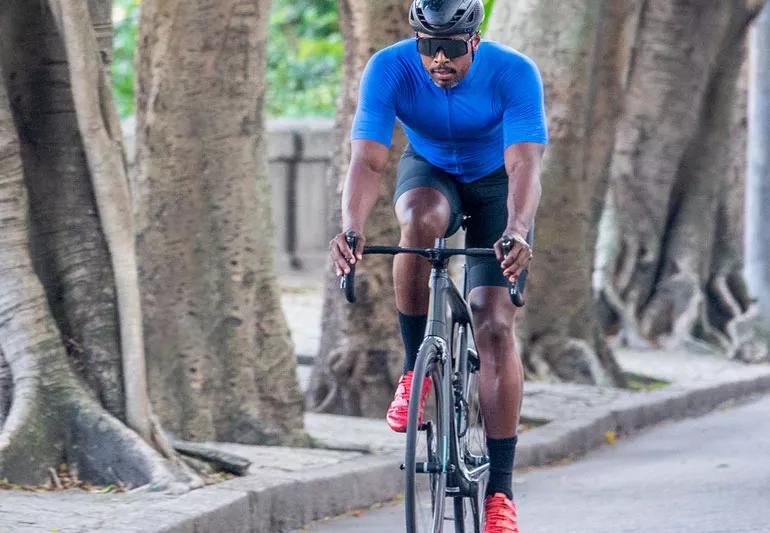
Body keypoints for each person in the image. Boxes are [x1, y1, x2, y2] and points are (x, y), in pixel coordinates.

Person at [329, 0, 547, 530]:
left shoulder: (514, 73)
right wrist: (352, 228)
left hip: (499, 184)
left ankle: (500, 492)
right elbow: (368, 159)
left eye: (450, 48)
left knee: (493, 323)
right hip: (431, 171)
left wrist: (516, 229)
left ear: (474, 40)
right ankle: (414, 371)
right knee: (419, 222)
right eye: (429, 47)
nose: (438, 60)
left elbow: (523, 161)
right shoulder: (391, 67)